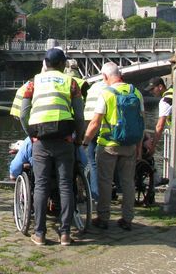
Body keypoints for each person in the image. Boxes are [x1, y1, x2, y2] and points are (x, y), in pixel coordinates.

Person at [24, 48, 85, 247]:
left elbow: (24, 113)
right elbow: (78, 116)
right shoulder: (71, 82)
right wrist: (78, 138)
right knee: (66, 185)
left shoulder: (33, 82)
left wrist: (31, 135)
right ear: (62, 64)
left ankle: (40, 233)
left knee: (41, 185)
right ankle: (65, 233)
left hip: (41, 140)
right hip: (65, 139)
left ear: (45, 63)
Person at [83, 62, 144, 231]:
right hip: (130, 145)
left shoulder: (107, 93)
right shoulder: (136, 92)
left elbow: (95, 122)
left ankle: (103, 218)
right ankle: (127, 219)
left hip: (108, 145)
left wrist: (85, 142)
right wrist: (139, 147)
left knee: (104, 182)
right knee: (128, 183)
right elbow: (141, 121)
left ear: (104, 77)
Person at [81, 78, 107, 203]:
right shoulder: (110, 88)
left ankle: (94, 195)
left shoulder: (93, 88)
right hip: (103, 125)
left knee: (92, 161)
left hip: (88, 124)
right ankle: (104, 194)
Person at [145, 77, 173, 157]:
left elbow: (160, 126)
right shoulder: (173, 92)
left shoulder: (165, 101)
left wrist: (153, 147)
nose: (151, 92)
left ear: (160, 87)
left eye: (153, 89)